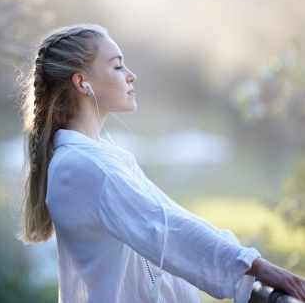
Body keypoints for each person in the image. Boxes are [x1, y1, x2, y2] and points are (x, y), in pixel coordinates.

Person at [18, 24, 305, 303]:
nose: (131, 76)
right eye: (117, 66)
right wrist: (257, 266)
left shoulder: (101, 158)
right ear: (82, 82)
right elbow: (164, 229)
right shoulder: (84, 167)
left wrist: (249, 260)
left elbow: (173, 216)